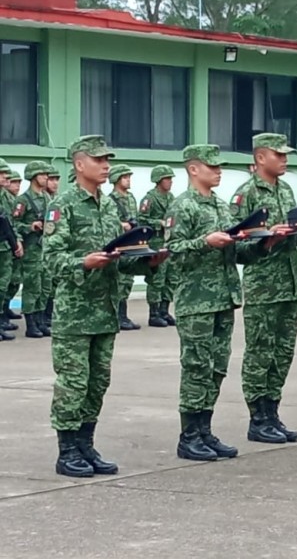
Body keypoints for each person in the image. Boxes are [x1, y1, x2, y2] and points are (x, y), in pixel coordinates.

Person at [44, 135, 167, 477]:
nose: (106, 166)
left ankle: (86, 443)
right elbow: (51, 258)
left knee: (98, 382)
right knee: (73, 382)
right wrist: (83, 262)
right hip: (75, 313)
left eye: (107, 160)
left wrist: (149, 261)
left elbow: (119, 258)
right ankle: (67, 449)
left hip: (105, 310)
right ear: (79, 164)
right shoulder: (63, 205)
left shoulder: (111, 205)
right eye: (99, 160)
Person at [166, 144, 275, 462]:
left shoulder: (221, 207)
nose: (218, 171)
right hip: (196, 301)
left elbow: (234, 253)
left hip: (224, 298)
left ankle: (204, 429)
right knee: (196, 368)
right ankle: (188, 436)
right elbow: (172, 251)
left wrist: (262, 245)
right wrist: (205, 242)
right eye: (211, 166)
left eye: (219, 167)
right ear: (193, 169)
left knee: (216, 368)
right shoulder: (182, 206)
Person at [231, 133, 297, 444]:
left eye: (286, 155)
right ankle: (257, 417)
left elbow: (296, 234)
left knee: (282, 353)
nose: (285, 159)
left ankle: (272, 412)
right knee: (260, 352)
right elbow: (237, 241)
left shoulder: (285, 189)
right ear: (260, 158)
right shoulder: (246, 194)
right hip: (263, 286)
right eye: (279, 154)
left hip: (289, 284)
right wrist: (267, 237)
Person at [13, 160, 52, 338]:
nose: (46, 178)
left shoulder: (48, 198)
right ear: (34, 176)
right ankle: (30, 324)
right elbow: (13, 224)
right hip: (32, 250)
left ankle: (40, 320)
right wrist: (31, 226)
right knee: (32, 287)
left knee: (45, 286)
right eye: (43, 175)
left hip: (45, 248)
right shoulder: (23, 200)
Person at [139, 165, 177, 327]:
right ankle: (153, 313)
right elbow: (141, 219)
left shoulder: (171, 198)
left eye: (170, 179)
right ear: (159, 180)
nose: (170, 182)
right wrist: (158, 222)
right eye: (167, 179)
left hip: (168, 241)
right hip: (155, 242)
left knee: (171, 277)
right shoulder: (150, 199)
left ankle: (164, 310)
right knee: (157, 278)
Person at [108, 165, 141, 331]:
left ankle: (123, 315)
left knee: (128, 280)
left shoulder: (131, 198)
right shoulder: (110, 200)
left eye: (129, 177)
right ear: (116, 179)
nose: (128, 180)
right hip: (119, 243)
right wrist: (122, 225)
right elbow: (108, 222)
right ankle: (117, 316)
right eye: (125, 177)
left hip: (131, 242)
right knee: (119, 281)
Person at [0, 159, 24, 341]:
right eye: (2, 174)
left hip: (5, 245)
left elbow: (9, 223)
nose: (6, 178)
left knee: (4, 284)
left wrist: (15, 242)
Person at [40, 165, 62, 330]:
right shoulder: (41, 199)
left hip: (52, 245)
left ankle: (47, 318)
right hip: (38, 248)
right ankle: (39, 320)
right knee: (39, 286)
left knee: (50, 285)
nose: (54, 183)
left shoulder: (54, 200)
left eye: (56, 179)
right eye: (51, 179)